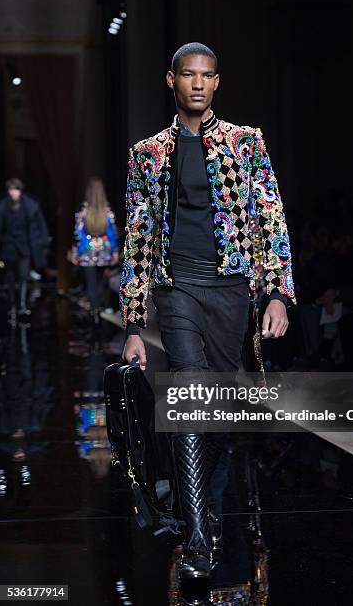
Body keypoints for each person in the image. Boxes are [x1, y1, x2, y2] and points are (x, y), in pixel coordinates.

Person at [120, 42, 297, 579]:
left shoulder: (246, 143)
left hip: (231, 290)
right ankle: (198, 536)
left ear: (216, 83)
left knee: (216, 408)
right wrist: (132, 322)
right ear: (169, 80)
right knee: (192, 396)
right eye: (188, 75)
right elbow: (137, 238)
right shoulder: (147, 154)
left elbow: (271, 217)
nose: (197, 84)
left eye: (207, 76)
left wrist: (277, 293)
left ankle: (193, 502)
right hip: (177, 289)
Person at [69, 178, 119, 323]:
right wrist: (115, 252)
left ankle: (94, 311)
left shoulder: (82, 210)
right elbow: (112, 234)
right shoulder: (107, 210)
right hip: (104, 250)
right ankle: (99, 309)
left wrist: (74, 251)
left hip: (87, 250)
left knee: (90, 283)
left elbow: (78, 233)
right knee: (101, 282)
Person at [0, 178, 49, 318]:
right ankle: (12, 304)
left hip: (24, 246)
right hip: (8, 246)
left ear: (20, 191)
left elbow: (39, 225)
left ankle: (21, 304)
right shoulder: (3, 207)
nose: (14, 193)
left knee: (23, 275)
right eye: (11, 190)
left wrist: (43, 241)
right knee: (9, 276)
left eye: (16, 190)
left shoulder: (30, 206)